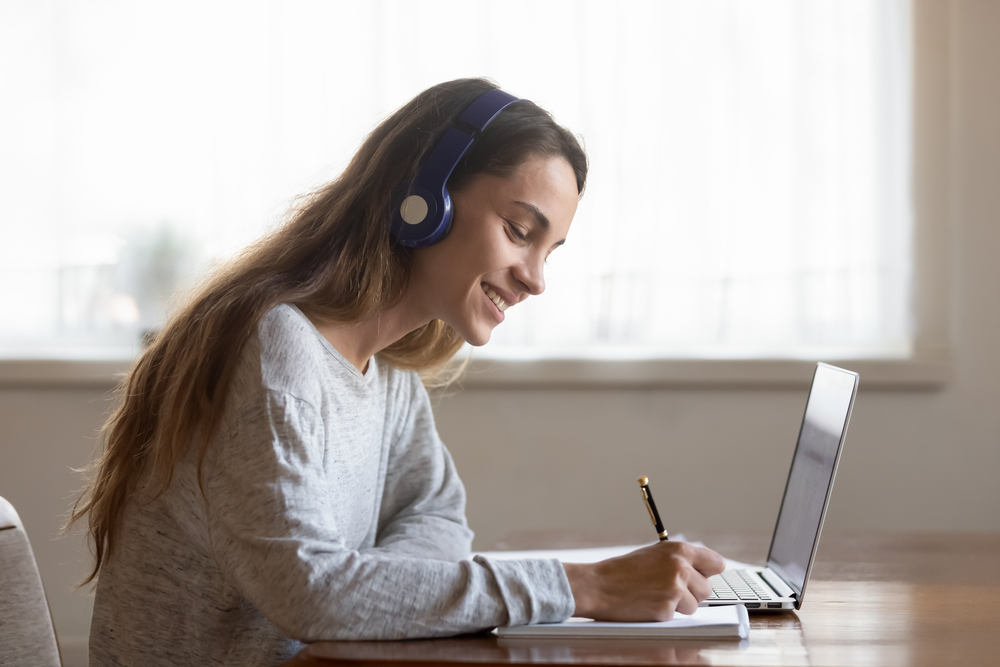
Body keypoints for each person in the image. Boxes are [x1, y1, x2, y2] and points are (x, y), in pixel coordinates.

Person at [71, 78, 725, 667]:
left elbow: (440, 518)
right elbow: (311, 592)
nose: (535, 278)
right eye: (520, 230)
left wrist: (362, 590)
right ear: (425, 196)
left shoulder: (387, 371)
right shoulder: (276, 348)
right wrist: (585, 586)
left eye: (548, 250)